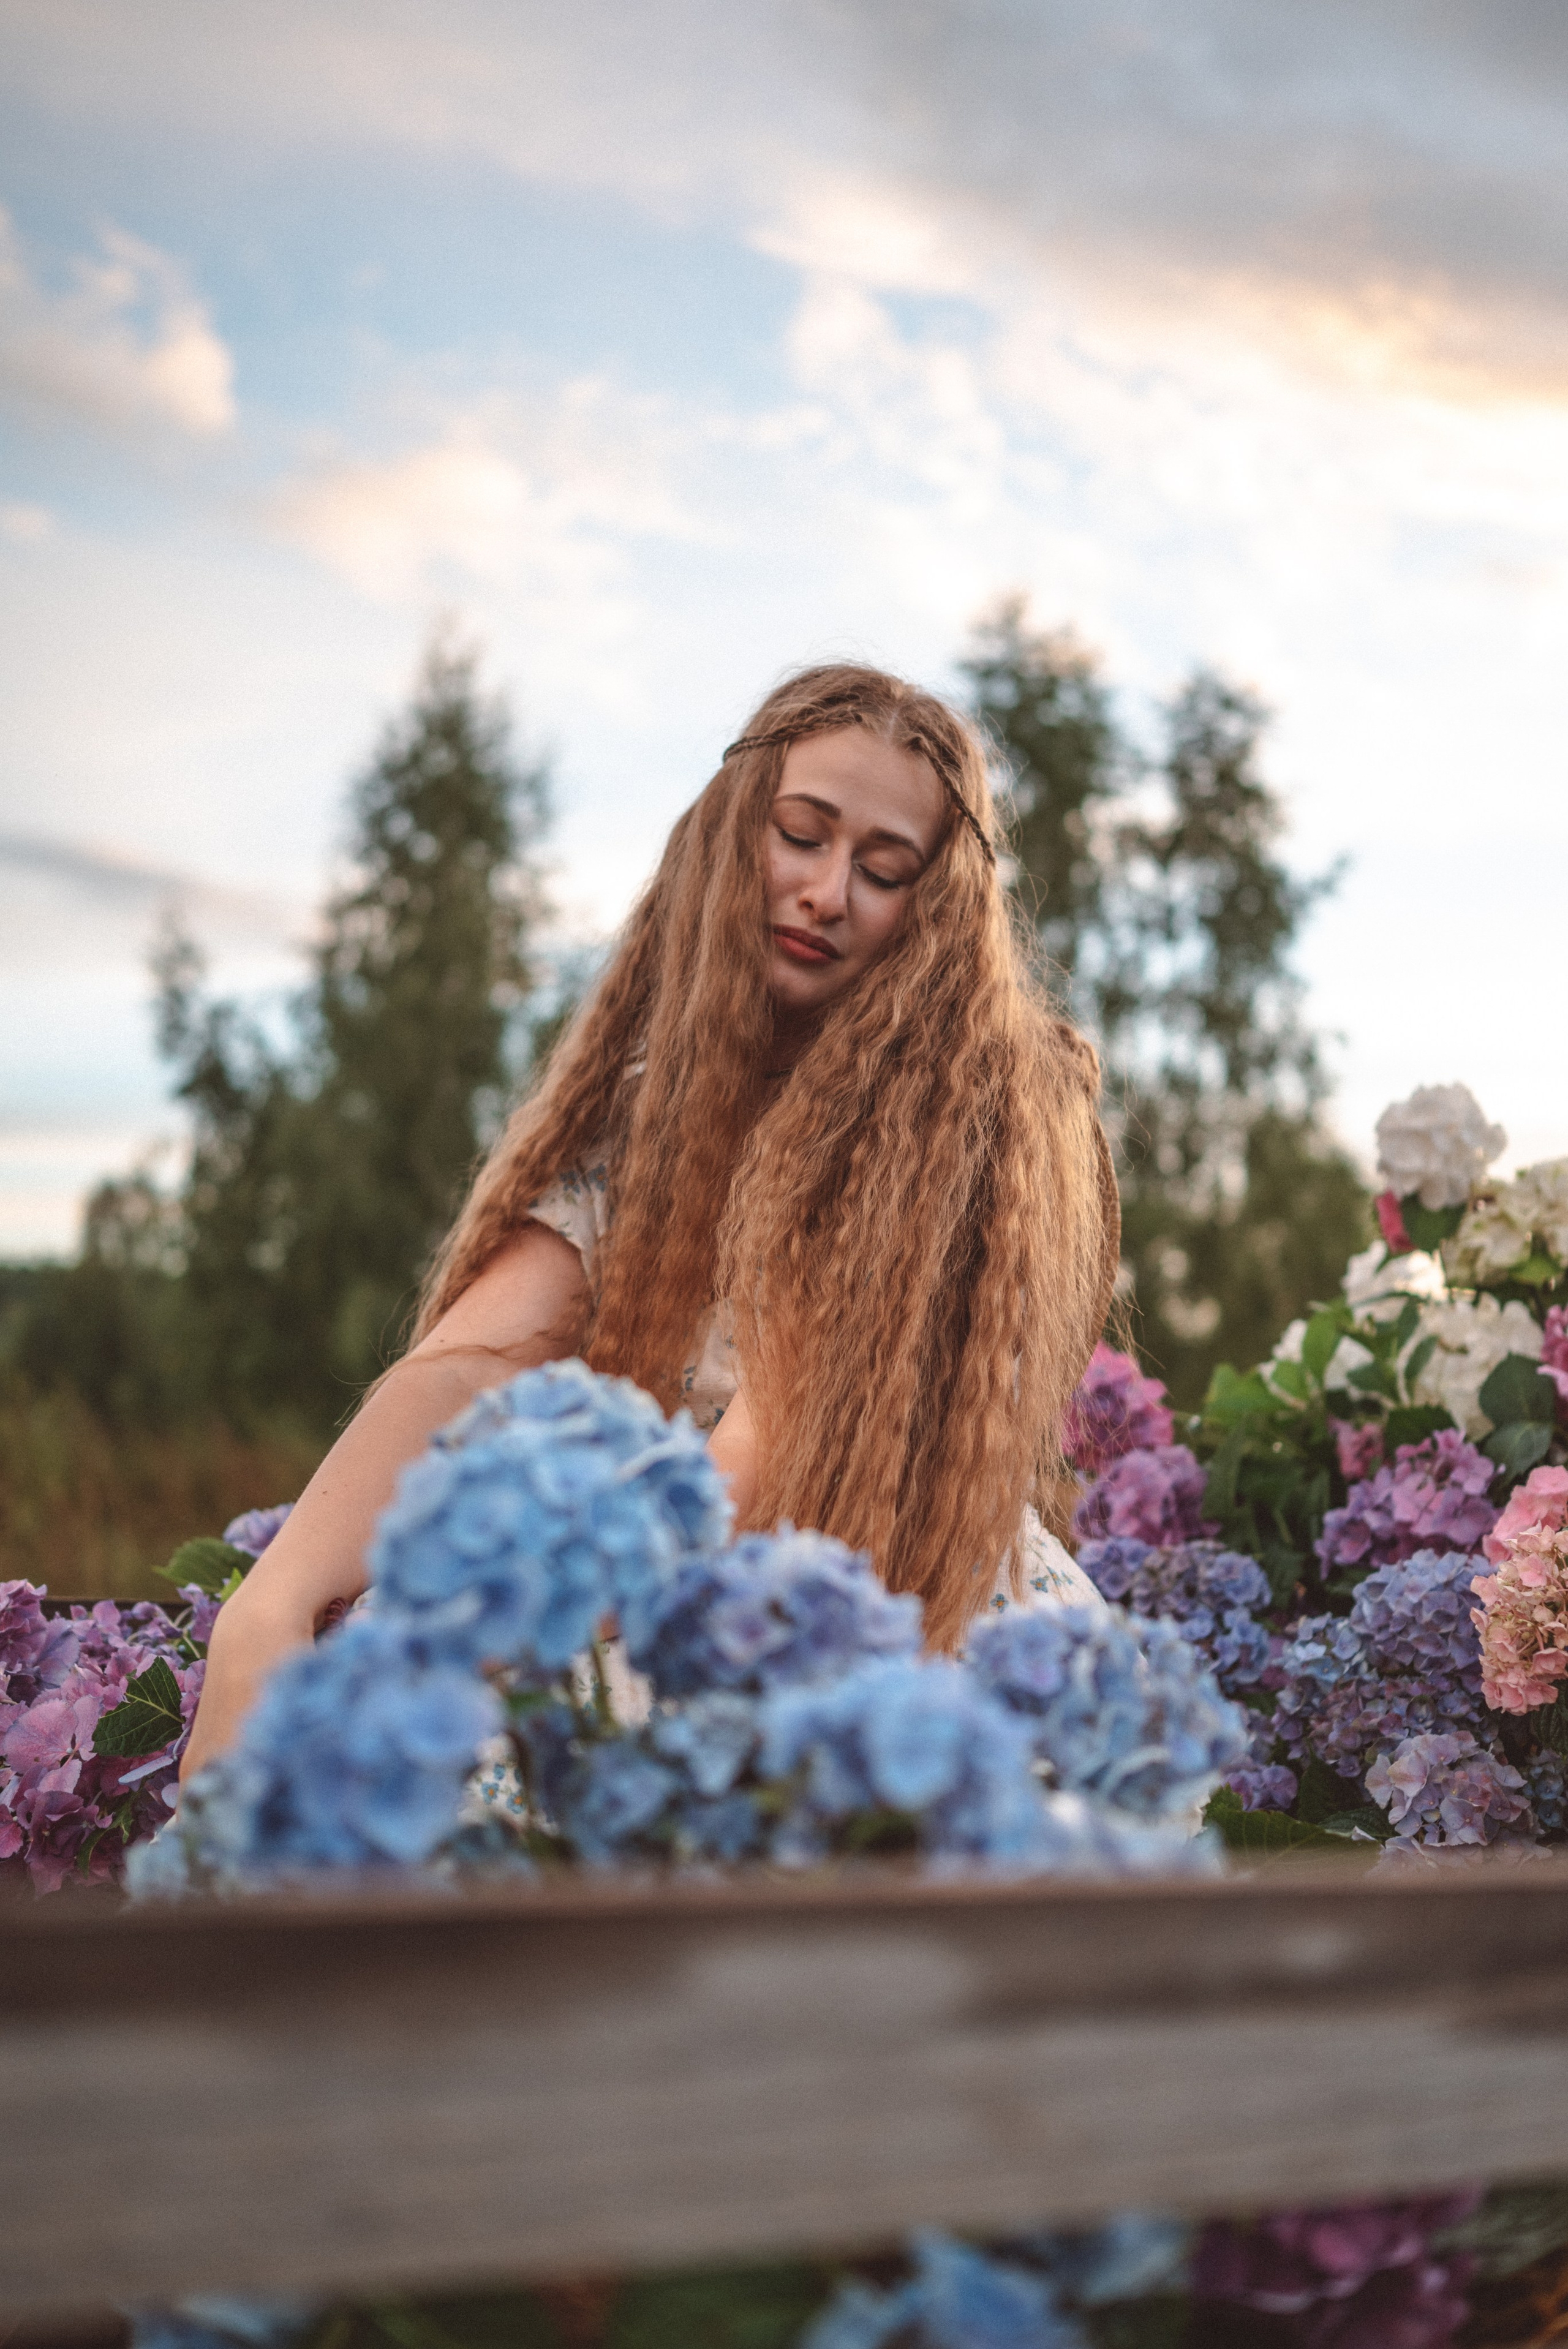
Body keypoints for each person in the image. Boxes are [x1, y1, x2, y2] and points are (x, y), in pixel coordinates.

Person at [181, 662, 1119, 1782]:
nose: (827, 891)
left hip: (865, 1598)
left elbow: (764, 1459)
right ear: (733, 835)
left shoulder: (944, 1115)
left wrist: (471, 1633)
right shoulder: (653, 1100)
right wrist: (270, 1610)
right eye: (803, 836)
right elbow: (474, 1359)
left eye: (883, 869)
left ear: (935, 907)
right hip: (652, 1549)